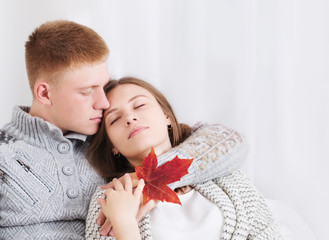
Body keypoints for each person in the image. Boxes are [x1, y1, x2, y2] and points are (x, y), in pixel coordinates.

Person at [0, 20, 247, 239]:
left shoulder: (103, 136)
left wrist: (149, 177)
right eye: (87, 91)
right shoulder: (5, 157)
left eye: (103, 87)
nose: (104, 103)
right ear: (44, 93)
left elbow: (226, 142)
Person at [85, 77, 282, 240]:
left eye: (140, 105)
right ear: (112, 147)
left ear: (166, 116)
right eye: (115, 119)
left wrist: (155, 174)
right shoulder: (108, 199)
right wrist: (124, 223)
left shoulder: (227, 177)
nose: (130, 118)